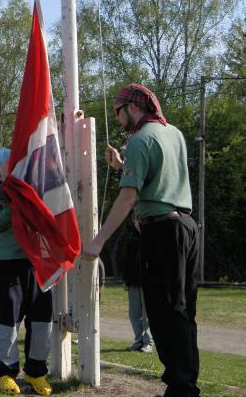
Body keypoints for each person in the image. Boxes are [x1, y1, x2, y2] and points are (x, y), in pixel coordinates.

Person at [82, 83, 199, 397]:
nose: (118, 120)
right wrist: (121, 166)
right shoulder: (172, 133)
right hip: (186, 227)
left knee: (163, 313)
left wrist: (98, 241)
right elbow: (157, 180)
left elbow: (129, 196)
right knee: (183, 311)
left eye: (118, 113)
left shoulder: (139, 140)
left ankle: (180, 389)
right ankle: (186, 384)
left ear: (132, 108)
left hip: (161, 233)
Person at [0, 148, 53, 396]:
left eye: (16, 161)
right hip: (5, 264)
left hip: (35, 261)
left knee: (42, 319)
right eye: (7, 163)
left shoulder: (30, 189)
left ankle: (36, 372)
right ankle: (6, 373)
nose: (13, 165)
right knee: (8, 321)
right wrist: (17, 204)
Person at [122, 231, 152, 353]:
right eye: (135, 220)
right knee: (134, 314)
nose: (138, 222)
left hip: (148, 283)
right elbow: (126, 262)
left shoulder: (152, 238)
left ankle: (148, 342)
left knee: (147, 315)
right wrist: (125, 279)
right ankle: (138, 340)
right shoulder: (132, 240)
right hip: (133, 282)